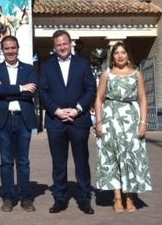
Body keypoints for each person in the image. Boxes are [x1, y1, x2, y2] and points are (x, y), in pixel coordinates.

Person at [39, 29, 96, 215]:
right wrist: (57, 111)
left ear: (70, 43)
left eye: (65, 43)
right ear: (54, 47)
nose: (62, 47)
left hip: (79, 120)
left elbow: (90, 89)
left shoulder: (83, 64)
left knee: (82, 161)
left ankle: (84, 198)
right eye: (58, 45)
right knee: (58, 163)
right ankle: (60, 199)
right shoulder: (46, 66)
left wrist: (77, 108)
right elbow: (43, 92)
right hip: (56, 122)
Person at [93, 41, 152, 212]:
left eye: (123, 52)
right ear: (112, 56)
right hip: (110, 119)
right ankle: (117, 197)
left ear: (128, 55)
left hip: (131, 121)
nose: (120, 55)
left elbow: (142, 99)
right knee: (113, 157)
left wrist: (143, 123)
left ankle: (130, 196)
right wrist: (98, 122)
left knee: (131, 158)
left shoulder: (136, 74)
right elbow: (99, 98)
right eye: (116, 53)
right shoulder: (107, 74)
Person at [0, 35, 38, 212]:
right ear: (2, 51)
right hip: (4, 119)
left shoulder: (29, 69)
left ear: (18, 48)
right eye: (7, 48)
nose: (10, 51)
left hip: (23, 119)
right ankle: (8, 197)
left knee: (23, 161)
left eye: (13, 48)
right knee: (6, 161)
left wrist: (8, 90)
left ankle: (26, 198)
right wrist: (20, 88)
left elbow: (31, 92)